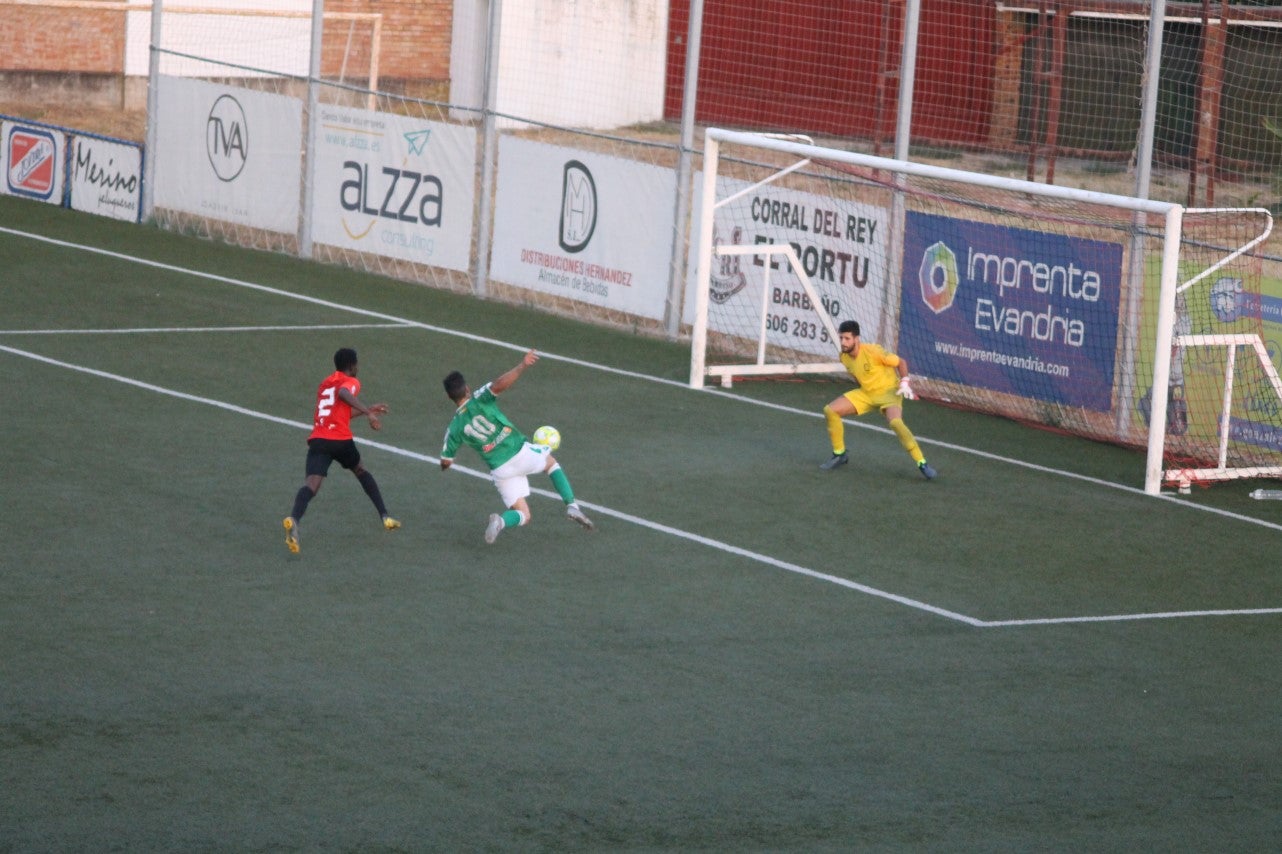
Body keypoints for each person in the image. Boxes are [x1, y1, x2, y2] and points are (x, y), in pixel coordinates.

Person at [440, 349, 594, 543]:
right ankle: (572, 505)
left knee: (524, 514)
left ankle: (500, 522)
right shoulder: (479, 398)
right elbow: (499, 385)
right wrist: (522, 365)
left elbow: (446, 461)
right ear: (467, 388)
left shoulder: (454, 427)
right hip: (518, 452)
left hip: (500, 470)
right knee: (550, 463)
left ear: (449, 397)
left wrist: (446, 464)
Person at [283, 347, 400, 553]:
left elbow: (338, 410)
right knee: (361, 471)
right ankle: (385, 516)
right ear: (352, 366)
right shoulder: (351, 382)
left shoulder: (325, 383)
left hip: (319, 439)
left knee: (311, 485)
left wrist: (368, 410)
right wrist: (368, 413)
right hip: (340, 440)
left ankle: (294, 519)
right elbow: (344, 393)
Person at [820, 319, 937, 479]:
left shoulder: (874, 351)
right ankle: (839, 454)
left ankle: (922, 462)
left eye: (847, 338)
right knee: (830, 410)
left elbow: (901, 362)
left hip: (889, 393)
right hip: (867, 394)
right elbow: (858, 376)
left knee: (896, 422)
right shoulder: (844, 357)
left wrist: (904, 382)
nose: (843, 342)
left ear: (856, 339)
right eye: (841, 338)